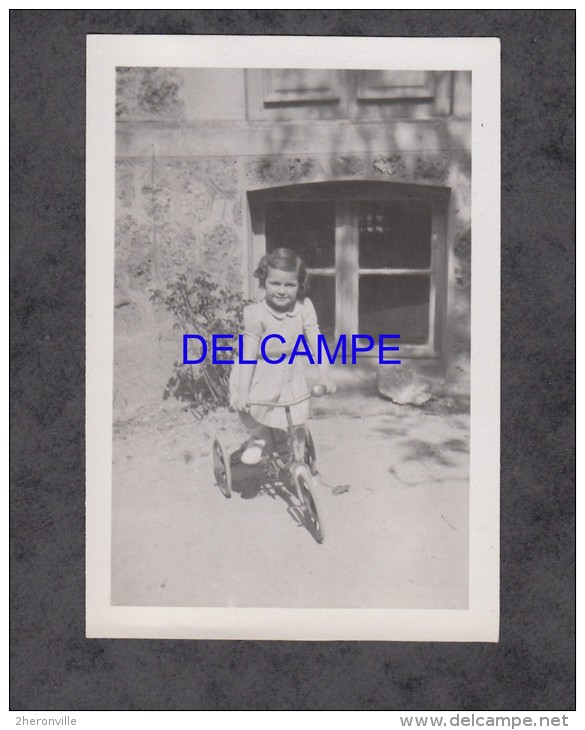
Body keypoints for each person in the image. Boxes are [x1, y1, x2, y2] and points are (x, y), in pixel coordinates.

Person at [230, 247, 336, 465]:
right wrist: (242, 391)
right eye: (275, 283)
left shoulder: (303, 308)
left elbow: (316, 342)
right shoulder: (256, 314)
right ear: (263, 282)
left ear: (299, 286)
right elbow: (247, 354)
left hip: (289, 371)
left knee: (296, 415)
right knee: (249, 407)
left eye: (289, 285)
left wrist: (324, 376)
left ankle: (297, 453)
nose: (282, 290)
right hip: (259, 370)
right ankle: (258, 436)